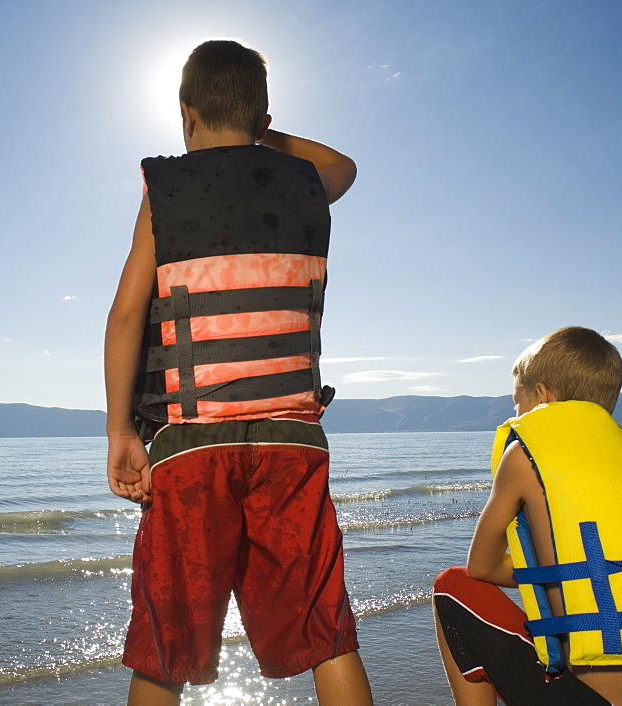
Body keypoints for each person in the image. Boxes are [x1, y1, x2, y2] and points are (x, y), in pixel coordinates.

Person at [103, 39, 373, 705]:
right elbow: (345, 164)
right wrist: (262, 136)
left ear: (185, 115)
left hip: (194, 440)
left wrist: (119, 433)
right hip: (292, 441)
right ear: (262, 119)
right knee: (326, 632)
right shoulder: (307, 182)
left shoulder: (166, 191)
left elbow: (126, 314)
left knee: (168, 643)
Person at [433, 326, 622, 705]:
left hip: (598, 700)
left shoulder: (525, 456)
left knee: (452, 586)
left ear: (542, 395)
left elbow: (482, 567)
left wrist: (549, 578)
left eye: (516, 402)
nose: (517, 413)